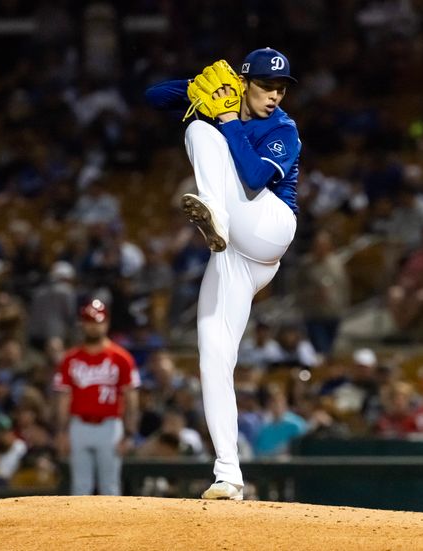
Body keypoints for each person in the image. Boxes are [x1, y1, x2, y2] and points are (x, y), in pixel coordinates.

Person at [146, 47, 300, 500]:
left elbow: (253, 177)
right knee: (213, 353)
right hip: (233, 253)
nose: (274, 94)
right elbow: (154, 96)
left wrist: (228, 119)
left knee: (201, 129)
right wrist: (200, 83)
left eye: (281, 88)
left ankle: (212, 211)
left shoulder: (284, 128)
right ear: (245, 80)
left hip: (268, 226)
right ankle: (228, 474)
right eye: (265, 85)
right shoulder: (229, 95)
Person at [53, 299, 140, 495]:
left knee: (110, 487)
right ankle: (79, 527)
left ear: (106, 323)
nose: (93, 326)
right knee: (80, 487)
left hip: (109, 426)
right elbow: (63, 399)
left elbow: (131, 399)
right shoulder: (70, 358)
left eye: (98, 321)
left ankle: (113, 527)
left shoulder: (121, 358)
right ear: (82, 324)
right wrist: (61, 432)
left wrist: (129, 434)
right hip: (79, 425)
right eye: (89, 321)